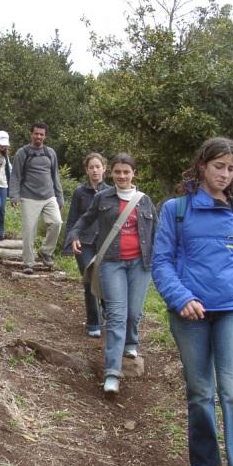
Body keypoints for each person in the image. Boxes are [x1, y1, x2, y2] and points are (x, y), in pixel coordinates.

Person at [152, 137, 233, 466]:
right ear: (202, 165)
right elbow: (161, 263)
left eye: (231, 169)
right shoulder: (176, 209)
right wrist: (182, 298)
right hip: (190, 313)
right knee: (200, 393)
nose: (225, 174)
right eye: (219, 166)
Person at [67, 153, 157, 394]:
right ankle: (112, 374)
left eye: (126, 172)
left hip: (140, 264)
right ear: (112, 173)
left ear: (133, 173)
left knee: (133, 312)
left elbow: (156, 233)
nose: (122, 176)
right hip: (111, 263)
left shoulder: (145, 201)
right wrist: (74, 235)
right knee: (116, 315)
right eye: (117, 172)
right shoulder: (102, 198)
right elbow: (84, 219)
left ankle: (131, 342)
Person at [62, 153, 109, 338]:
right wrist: (69, 241)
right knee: (90, 279)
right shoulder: (80, 192)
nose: (95, 170)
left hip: (104, 243)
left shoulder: (111, 192)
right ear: (87, 170)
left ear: (104, 168)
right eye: (91, 167)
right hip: (83, 242)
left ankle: (107, 310)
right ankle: (93, 322)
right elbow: (73, 218)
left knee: (105, 279)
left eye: (98, 166)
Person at [9, 122, 64, 274]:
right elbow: (15, 175)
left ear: (45, 136)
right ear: (31, 134)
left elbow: (55, 176)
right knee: (29, 231)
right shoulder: (23, 152)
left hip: (49, 196)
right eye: (36, 133)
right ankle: (28, 263)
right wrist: (14, 195)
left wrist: (60, 197)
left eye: (41, 134)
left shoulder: (50, 153)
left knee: (57, 222)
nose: (38, 136)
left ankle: (46, 252)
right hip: (29, 197)